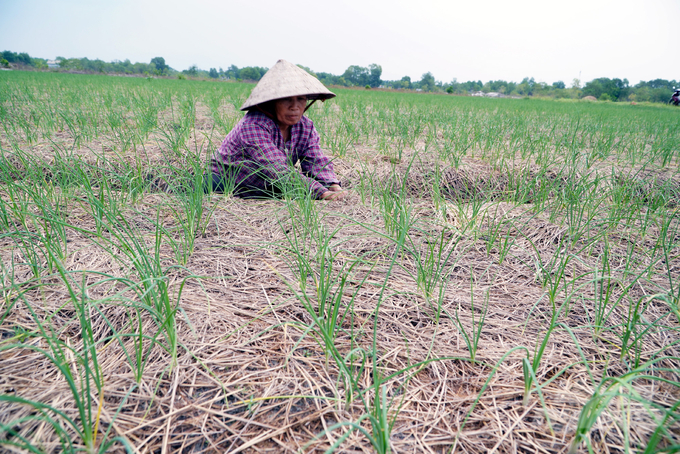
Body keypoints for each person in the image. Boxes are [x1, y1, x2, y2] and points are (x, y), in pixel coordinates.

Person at [208, 59, 344, 201]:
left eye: (301, 99)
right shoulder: (253, 124)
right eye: (286, 99)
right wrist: (320, 192)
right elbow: (276, 169)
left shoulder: (305, 127)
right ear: (272, 101)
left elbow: (315, 160)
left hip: (267, 185)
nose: (294, 106)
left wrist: (332, 185)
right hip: (227, 181)